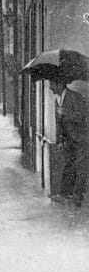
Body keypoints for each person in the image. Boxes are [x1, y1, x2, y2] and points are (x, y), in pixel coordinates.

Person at [49, 78, 89, 207]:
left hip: (81, 137)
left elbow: (81, 116)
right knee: (68, 165)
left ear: (59, 84)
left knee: (80, 166)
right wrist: (59, 140)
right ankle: (65, 194)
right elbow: (58, 123)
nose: (50, 88)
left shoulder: (75, 97)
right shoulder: (57, 101)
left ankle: (78, 196)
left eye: (52, 85)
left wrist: (65, 113)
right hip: (68, 139)